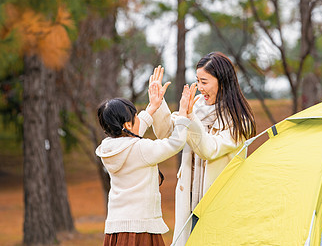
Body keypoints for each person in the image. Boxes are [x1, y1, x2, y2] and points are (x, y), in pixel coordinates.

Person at [150, 52, 257, 245]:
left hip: (219, 202)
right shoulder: (196, 106)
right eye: (197, 81)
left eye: (204, 82)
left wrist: (189, 116)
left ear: (222, 81)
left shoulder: (241, 122)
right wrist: (158, 103)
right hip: (189, 200)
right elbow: (167, 132)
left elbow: (209, 149)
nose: (199, 88)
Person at [95, 79, 196, 246]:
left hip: (115, 228)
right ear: (127, 124)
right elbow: (174, 143)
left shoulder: (108, 148)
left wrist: (153, 107)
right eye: (136, 117)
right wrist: (183, 115)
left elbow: (130, 135)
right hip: (140, 228)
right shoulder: (141, 149)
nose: (138, 119)